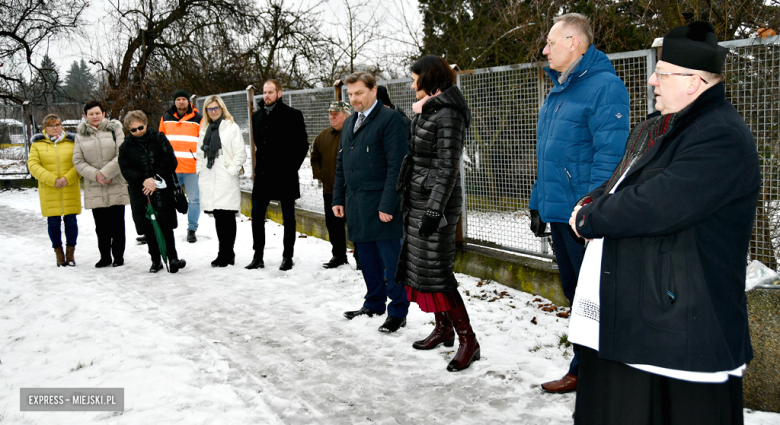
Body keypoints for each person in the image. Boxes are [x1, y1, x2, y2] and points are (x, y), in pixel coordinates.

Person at [568, 22, 759, 425]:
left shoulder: (720, 135)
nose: (652, 79)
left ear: (693, 82)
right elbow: (622, 181)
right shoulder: (656, 126)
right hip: (642, 314)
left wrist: (590, 218)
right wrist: (591, 199)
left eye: (662, 72)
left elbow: (658, 203)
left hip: (683, 319)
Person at [529, 13, 630, 393]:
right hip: (559, 212)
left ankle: (591, 369)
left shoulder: (605, 87)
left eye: (551, 43)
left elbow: (611, 158)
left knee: (593, 298)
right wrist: (538, 203)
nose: (545, 49)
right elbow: (548, 156)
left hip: (582, 217)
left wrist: (592, 211)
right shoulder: (559, 89)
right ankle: (589, 365)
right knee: (575, 293)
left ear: (574, 42)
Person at [396, 55, 480, 371]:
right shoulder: (428, 111)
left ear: (428, 78)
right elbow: (420, 153)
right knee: (424, 269)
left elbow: (447, 167)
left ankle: (468, 340)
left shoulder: (448, 114)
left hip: (438, 204)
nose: (410, 83)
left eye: (414, 77)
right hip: (420, 199)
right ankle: (443, 327)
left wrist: (434, 211)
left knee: (438, 271)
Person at [333, 71, 410, 333]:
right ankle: (374, 303)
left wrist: (388, 205)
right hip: (356, 205)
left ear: (374, 91)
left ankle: (398, 311)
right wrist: (338, 198)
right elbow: (341, 163)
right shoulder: (350, 122)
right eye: (350, 94)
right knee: (367, 260)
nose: (354, 99)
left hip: (382, 207)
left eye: (359, 93)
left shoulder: (391, 121)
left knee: (392, 261)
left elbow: (397, 167)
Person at [246, 79, 309, 271]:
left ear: (279, 93)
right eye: (264, 92)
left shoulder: (293, 115)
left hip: (285, 175)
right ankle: (258, 256)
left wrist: (291, 167)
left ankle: (287, 256)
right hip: (264, 176)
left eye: (270, 92)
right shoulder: (256, 117)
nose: (266, 96)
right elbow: (259, 146)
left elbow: (302, 145)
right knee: (256, 215)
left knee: (288, 217)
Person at [118, 110, 186, 273]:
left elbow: (170, 160)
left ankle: (172, 258)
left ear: (146, 123)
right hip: (141, 191)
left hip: (162, 189)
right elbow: (125, 168)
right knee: (149, 226)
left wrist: (155, 179)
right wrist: (144, 180)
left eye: (140, 128)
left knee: (165, 224)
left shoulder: (159, 138)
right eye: (133, 130)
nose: (137, 132)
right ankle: (155, 259)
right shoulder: (125, 147)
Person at [72, 100, 130, 268]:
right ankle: (105, 256)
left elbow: (122, 155)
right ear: (85, 116)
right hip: (95, 185)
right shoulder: (80, 136)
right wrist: (97, 175)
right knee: (101, 226)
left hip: (115, 183)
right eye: (91, 114)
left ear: (104, 114)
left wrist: (106, 173)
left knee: (118, 224)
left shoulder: (115, 130)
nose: (95, 116)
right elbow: (78, 161)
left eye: (98, 113)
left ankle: (118, 256)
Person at [196, 95, 247, 267]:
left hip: (225, 177)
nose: (213, 111)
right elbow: (199, 154)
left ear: (222, 108)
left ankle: (228, 253)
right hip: (209, 177)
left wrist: (230, 171)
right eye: (210, 109)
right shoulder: (204, 129)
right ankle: (222, 253)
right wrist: (199, 171)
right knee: (218, 215)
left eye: (216, 108)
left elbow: (240, 153)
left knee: (227, 215)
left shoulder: (231, 127)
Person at [28, 114, 82, 267]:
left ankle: (70, 253)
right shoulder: (37, 144)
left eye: (57, 124)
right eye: (51, 125)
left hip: (69, 187)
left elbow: (79, 162)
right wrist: (52, 180)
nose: (55, 128)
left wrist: (67, 178)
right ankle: (59, 254)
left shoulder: (72, 142)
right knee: (53, 223)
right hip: (50, 190)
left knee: (71, 221)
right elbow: (33, 165)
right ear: (45, 128)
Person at [159, 89, 204, 243]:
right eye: (178, 99)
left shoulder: (198, 118)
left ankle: (192, 229)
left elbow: (204, 142)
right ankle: (164, 227)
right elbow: (160, 141)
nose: (181, 102)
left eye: (183, 99)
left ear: (188, 102)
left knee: (194, 199)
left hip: (192, 168)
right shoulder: (165, 118)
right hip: (172, 169)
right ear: (174, 102)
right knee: (165, 199)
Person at [311, 100, 352, 269]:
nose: (332, 117)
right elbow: (314, 157)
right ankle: (338, 255)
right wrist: (321, 175)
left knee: (355, 225)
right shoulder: (323, 136)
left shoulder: (354, 134)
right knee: (333, 225)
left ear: (347, 115)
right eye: (330, 114)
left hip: (351, 191)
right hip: (330, 190)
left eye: (336, 114)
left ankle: (361, 258)